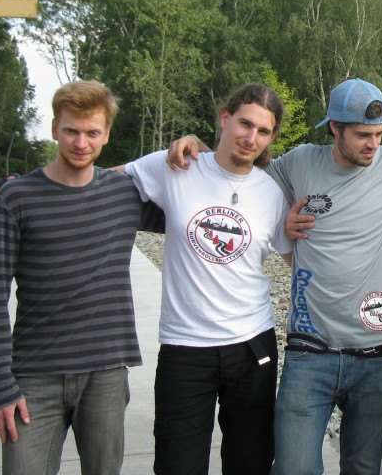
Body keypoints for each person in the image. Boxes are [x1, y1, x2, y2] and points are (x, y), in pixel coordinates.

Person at [167, 78, 382, 475]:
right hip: (311, 351)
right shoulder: (299, 162)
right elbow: (241, 168)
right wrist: (195, 145)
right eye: (363, 135)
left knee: (366, 468)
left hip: (380, 355)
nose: (373, 145)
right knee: (294, 467)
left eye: (380, 135)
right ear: (334, 127)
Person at [123, 83, 293, 475]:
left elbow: (300, 261)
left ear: (271, 137)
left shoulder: (271, 193)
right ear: (224, 118)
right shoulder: (176, 167)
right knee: (177, 463)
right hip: (185, 348)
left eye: (263, 131)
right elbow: (104, 182)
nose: (251, 138)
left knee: (250, 462)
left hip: (253, 346)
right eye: (245, 124)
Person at [0, 80, 163, 475]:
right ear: (54, 129)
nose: (81, 142)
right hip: (32, 377)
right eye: (71, 130)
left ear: (106, 134)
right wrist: (1, 384)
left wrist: (191, 145)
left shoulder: (124, 194)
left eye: (92, 132)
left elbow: (196, 215)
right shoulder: (16, 198)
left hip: (105, 373)